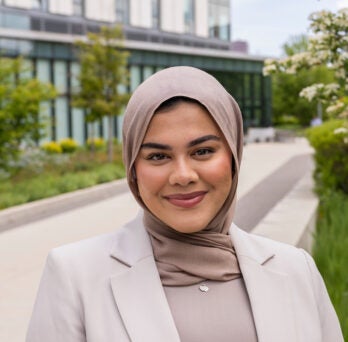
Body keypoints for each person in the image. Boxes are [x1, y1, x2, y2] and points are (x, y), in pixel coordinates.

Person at [26, 66, 343, 342]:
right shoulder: (75, 276)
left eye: (203, 151)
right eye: (158, 156)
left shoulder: (296, 269)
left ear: (233, 156)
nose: (182, 175)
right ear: (133, 169)